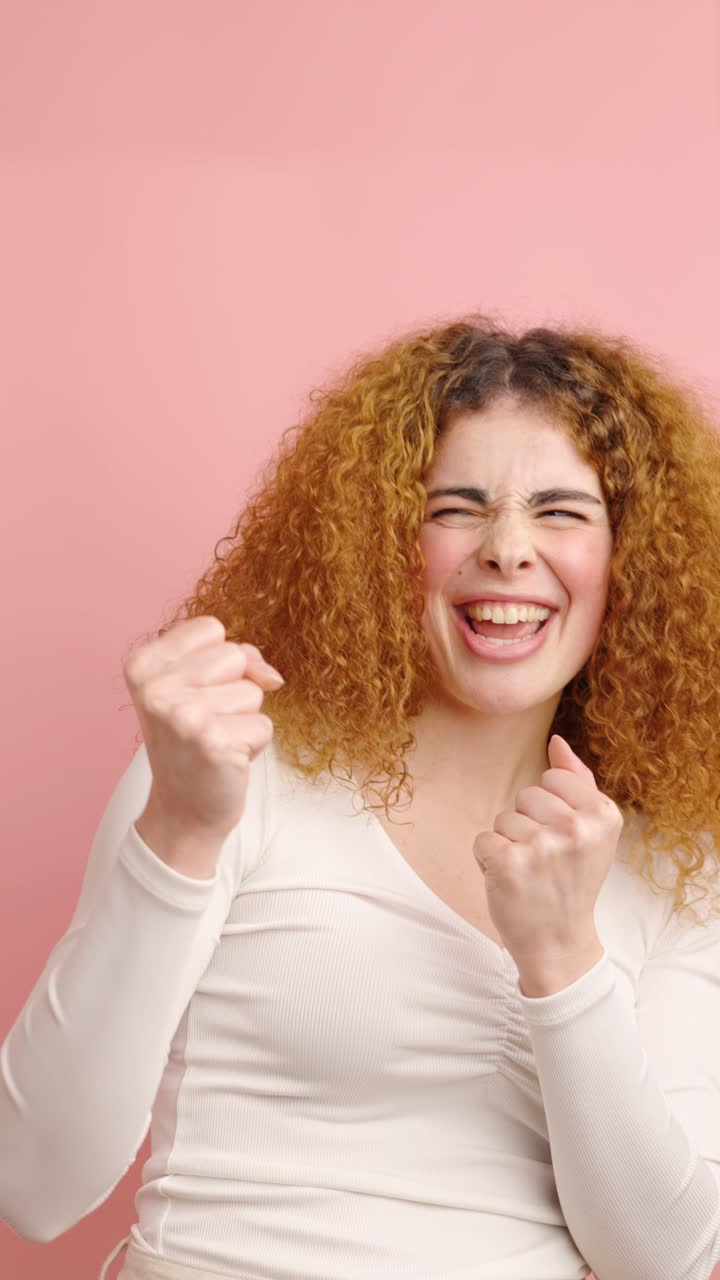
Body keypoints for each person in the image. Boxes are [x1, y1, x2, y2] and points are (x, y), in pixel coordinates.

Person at [1, 313, 720, 1280]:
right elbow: (32, 1186)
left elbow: (663, 1260)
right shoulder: (236, 769)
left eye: (561, 511)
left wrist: (563, 960)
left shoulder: (679, 856)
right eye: (455, 508)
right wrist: (179, 829)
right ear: (383, 540)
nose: (508, 548)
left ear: (634, 560)